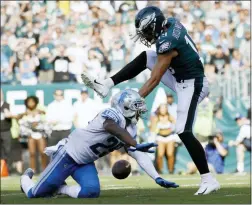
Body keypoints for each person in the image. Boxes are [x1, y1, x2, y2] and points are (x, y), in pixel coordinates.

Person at [81, 6, 219, 195]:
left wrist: (135, 100)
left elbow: (154, 79)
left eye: (146, 30)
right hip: (180, 76)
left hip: (193, 83)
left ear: (154, 25)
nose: (145, 36)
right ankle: (106, 83)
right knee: (147, 57)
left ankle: (208, 179)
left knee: (182, 130)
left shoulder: (168, 40)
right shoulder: (169, 24)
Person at [20, 89, 179, 198]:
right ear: (125, 106)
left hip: (85, 161)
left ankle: (61, 188)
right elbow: (111, 127)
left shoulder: (131, 129)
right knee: (35, 194)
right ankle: (25, 178)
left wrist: (156, 177)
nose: (140, 111)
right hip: (67, 154)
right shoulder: (111, 114)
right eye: (136, 107)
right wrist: (133, 143)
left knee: (91, 192)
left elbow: (138, 155)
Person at [18, 96, 49, 173]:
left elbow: (46, 115)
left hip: (40, 134)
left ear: (35, 102)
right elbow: (18, 118)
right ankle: (33, 170)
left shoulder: (40, 111)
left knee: (42, 152)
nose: (31, 103)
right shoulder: (25, 112)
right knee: (32, 153)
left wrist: (39, 112)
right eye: (29, 102)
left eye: (32, 102)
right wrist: (25, 114)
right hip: (31, 135)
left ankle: (45, 169)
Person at [153, 104, 177, 174]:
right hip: (160, 138)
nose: (163, 110)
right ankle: (160, 170)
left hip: (170, 137)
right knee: (160, 155)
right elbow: (153, 129)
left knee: (170, 154)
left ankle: (171, 170)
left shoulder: (170, 117)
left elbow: (176, 124)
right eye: (162, 108)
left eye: (164, 108)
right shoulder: (156, 118)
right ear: (159, 109)